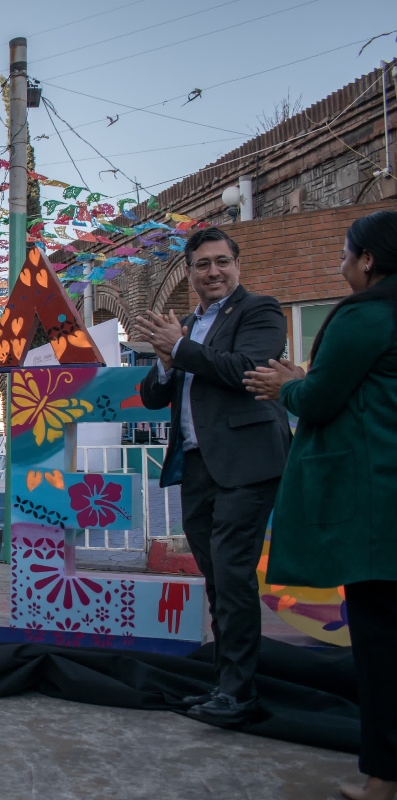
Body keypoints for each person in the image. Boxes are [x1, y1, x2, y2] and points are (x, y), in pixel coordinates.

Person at [243, 211, 397, 800]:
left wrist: (287, 385)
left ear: (367, 261)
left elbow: (323, 399)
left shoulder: (366, 316)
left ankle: (382, 779)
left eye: (344, 255)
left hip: (375, 505)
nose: (340, 266)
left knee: (380, 645)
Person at [137, 226, 291, 726]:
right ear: (189, 271)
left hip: (247, 462)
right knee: (217, 579)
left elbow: (245, 369)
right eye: (202, 264)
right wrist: (165, 362)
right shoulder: (183, 325)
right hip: (198, 465)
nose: (213, 272)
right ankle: (227, 683)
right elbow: (155, 396)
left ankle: (240, 693)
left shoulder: (260, 310)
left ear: (237, 265)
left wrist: (180, 350)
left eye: (222, 261)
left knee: (231, 572)